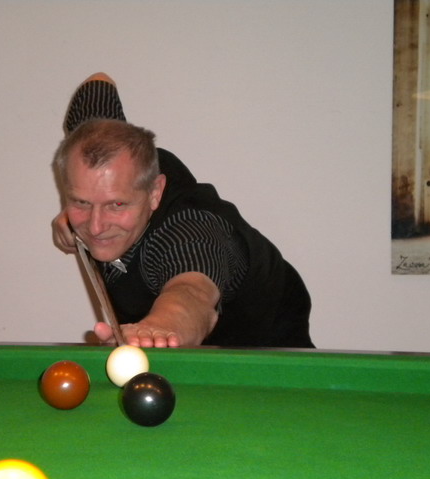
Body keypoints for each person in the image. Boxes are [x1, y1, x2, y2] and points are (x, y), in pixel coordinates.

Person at [52, 73, 314, 349]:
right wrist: (73, 218)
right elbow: (99, 82)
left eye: (116, 205)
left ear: (154, 193)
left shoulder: (190, 230)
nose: (95, 226)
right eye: (81, 201)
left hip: (269, 360)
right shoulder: (118, 159)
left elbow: (191, 294)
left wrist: (159, 329)